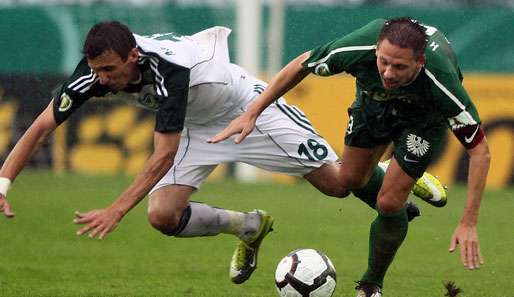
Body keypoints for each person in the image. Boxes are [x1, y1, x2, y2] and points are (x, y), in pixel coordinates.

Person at [0, 21, 444, 286]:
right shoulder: (96, 72)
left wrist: (116, 209)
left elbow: (160, 156)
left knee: (337, 185)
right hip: (195, 125)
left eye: (110, 71)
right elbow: (41, 125)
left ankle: (390, 169)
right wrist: (3, 183)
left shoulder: (169, 73)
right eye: (96, 71)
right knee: (162, 216)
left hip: (245, 108)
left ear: (134, 56)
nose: (103, 80)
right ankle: (248, 226)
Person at [209, 17, 490, 296]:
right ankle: (393, 175)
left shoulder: (443, 83)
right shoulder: (358, 47)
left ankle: (370, 285)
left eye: (400, 66)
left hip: (422, 121)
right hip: (373, 104)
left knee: (389, 203)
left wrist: (468, 222)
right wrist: (253, 112)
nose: (389, 72)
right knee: (348, 181)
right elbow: (301, 64)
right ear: (376, 50)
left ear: (421, 62)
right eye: (384, 61)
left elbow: (480, 151)